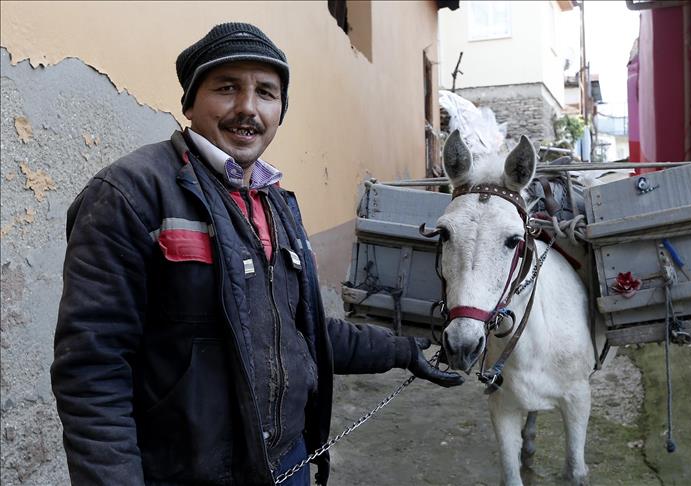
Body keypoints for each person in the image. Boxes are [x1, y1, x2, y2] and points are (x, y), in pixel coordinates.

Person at [51, 22, 463, 486]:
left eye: (266, 92)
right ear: (190, 102)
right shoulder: (131, 193)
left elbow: (303, 330)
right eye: (226, 88)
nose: (248, 108)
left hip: (288, 465)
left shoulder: (277, 202)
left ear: (280, 110)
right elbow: (93, 369)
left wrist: (405, 350)